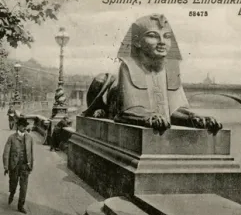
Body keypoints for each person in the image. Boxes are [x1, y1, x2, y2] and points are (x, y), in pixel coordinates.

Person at [83, 13, 222, 135]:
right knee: (101, 79)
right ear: (137, 41)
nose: (162, 42)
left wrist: (194, 117)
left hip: (153, 114)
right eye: (152, 36)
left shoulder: (172, 69)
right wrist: (149, 117)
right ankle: (99, 108)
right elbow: (127, 111)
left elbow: (174, 110)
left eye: (167, 36)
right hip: (117, 106)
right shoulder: (129, 67)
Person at [3, 117, 34, 214]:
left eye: (25, 126)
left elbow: (31, 153)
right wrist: (6, 166)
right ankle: (12, 193)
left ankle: (21, 205)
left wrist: (31, 165)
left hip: (25, 166)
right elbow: (6, 153)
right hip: (14, 165)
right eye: (22, 126)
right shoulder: (11, 138)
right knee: (13, 183)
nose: (24, 127)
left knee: (24, 187)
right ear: (18, 126)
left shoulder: (29, 138)